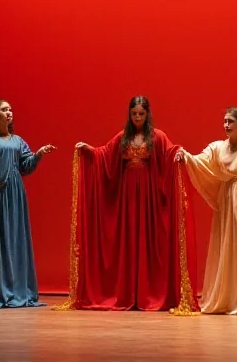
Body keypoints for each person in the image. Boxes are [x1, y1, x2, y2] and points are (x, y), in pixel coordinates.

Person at [54, 96, 200, 314]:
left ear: (147, 114)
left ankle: (147, 293)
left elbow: (169, 152)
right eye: (134, 114)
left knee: (146, 241)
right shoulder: (123, 137)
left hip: (149, 198)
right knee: (129, 240)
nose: (138, 118)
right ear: (129, 115)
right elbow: (104, 154)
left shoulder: (157, 137)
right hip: (127, 199)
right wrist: (88, 150)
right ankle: (128, 292)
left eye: (141, 114)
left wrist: (178, 153)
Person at [176, 107, 237, 315]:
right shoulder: (217, 147)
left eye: (231, 121)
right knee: (227, 246)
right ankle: (228, 297)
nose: (226, 125)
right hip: (227, 200)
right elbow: (200, 160)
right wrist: (186, 156)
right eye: (225, 121)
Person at [0, 99, 56, 309]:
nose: (9, 113)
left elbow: (25, 166)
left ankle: (17, 289)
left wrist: (39, 154)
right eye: (4, 110)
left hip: (15, 194)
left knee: (16, 239)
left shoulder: (18, 141)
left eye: (10, 109)